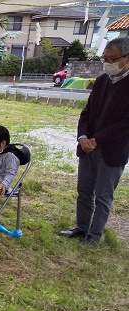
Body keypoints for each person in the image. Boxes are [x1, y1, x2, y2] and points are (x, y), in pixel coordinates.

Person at [59, 37, 129, 245]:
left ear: (127, 59)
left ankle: (94, 234)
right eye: (105, 58)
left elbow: (126, 123)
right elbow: (87, 112)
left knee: (103, 195)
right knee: (84, 191)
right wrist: (82, 137)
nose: (108, 63)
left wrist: (97, 139)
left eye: (113, 59)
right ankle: (81, 228)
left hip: (112, 150)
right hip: (87, 146)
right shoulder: (101, 81)